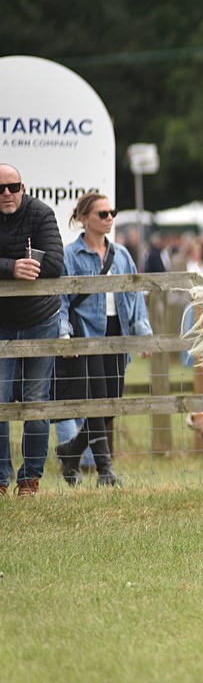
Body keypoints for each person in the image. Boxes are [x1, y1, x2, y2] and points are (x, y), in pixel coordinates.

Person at [53, 193, 152, 487]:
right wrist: (64, 333)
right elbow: (61, 298)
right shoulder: (70, 255)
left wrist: (142, 334)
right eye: (102, 214)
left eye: (112, 212)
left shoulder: (121, 254)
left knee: (111, 403)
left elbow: (134, 296)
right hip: (86, 332)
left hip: (117, 331)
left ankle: (70, 451)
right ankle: (105, 470)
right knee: (97, 401)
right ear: (84, 219)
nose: (109, 218)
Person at [0, 164, 64, 496]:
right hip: (1, 324)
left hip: (41, 319)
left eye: (13, 187)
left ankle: (30, 479)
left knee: (36, 402)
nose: (7, 194)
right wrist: (12, 266)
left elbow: (54, 264)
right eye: (0, 189)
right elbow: (30, 266)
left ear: (23, 187)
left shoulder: (41, 213)